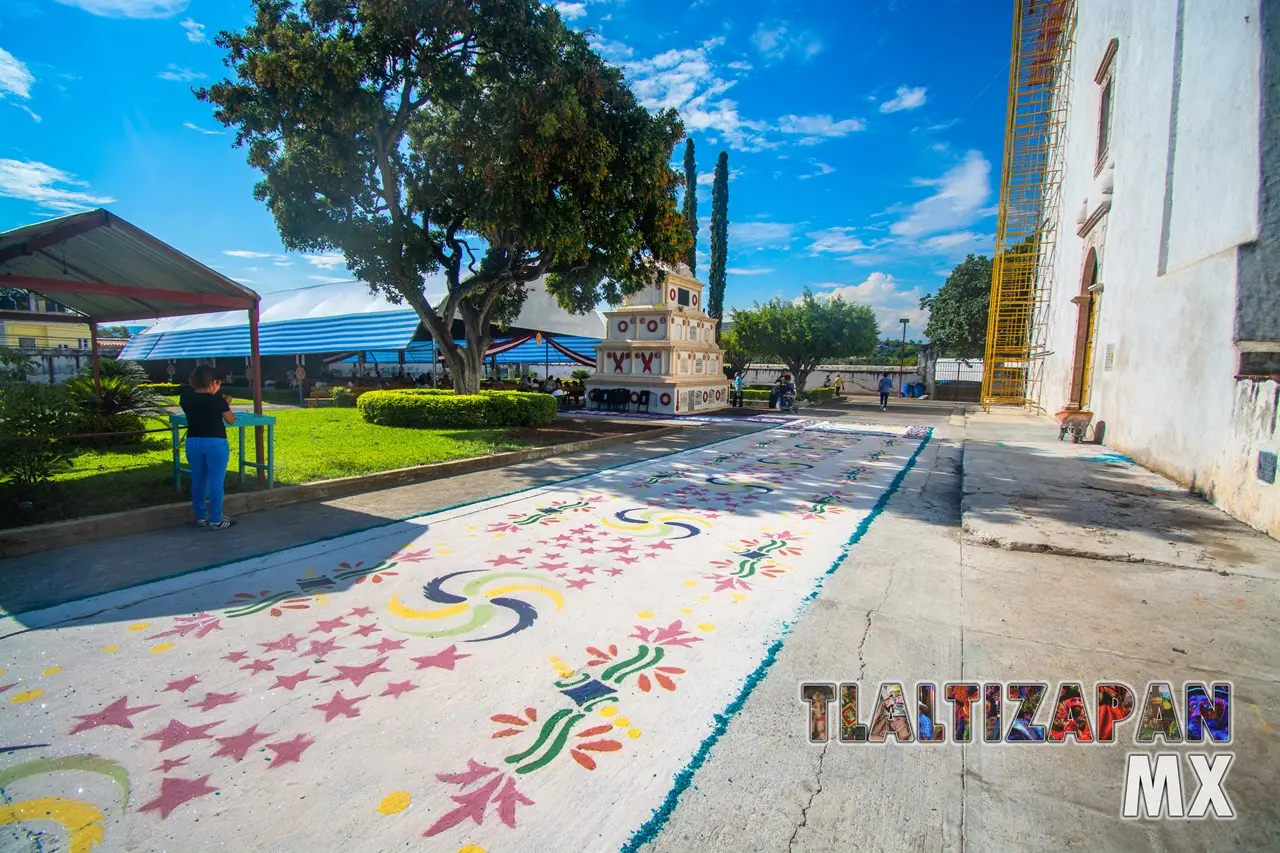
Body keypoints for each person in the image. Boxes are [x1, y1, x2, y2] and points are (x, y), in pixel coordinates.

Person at [179, 365, 237, 530]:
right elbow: (230, 420)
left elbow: (199, 406)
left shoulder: (186, 397)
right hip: (215, 442)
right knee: (215, 482)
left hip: (193, 442)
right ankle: (216, 519)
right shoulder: (217, 399)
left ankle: (201, 516)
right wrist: (222, 401)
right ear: (213, 382)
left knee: (198, 479)